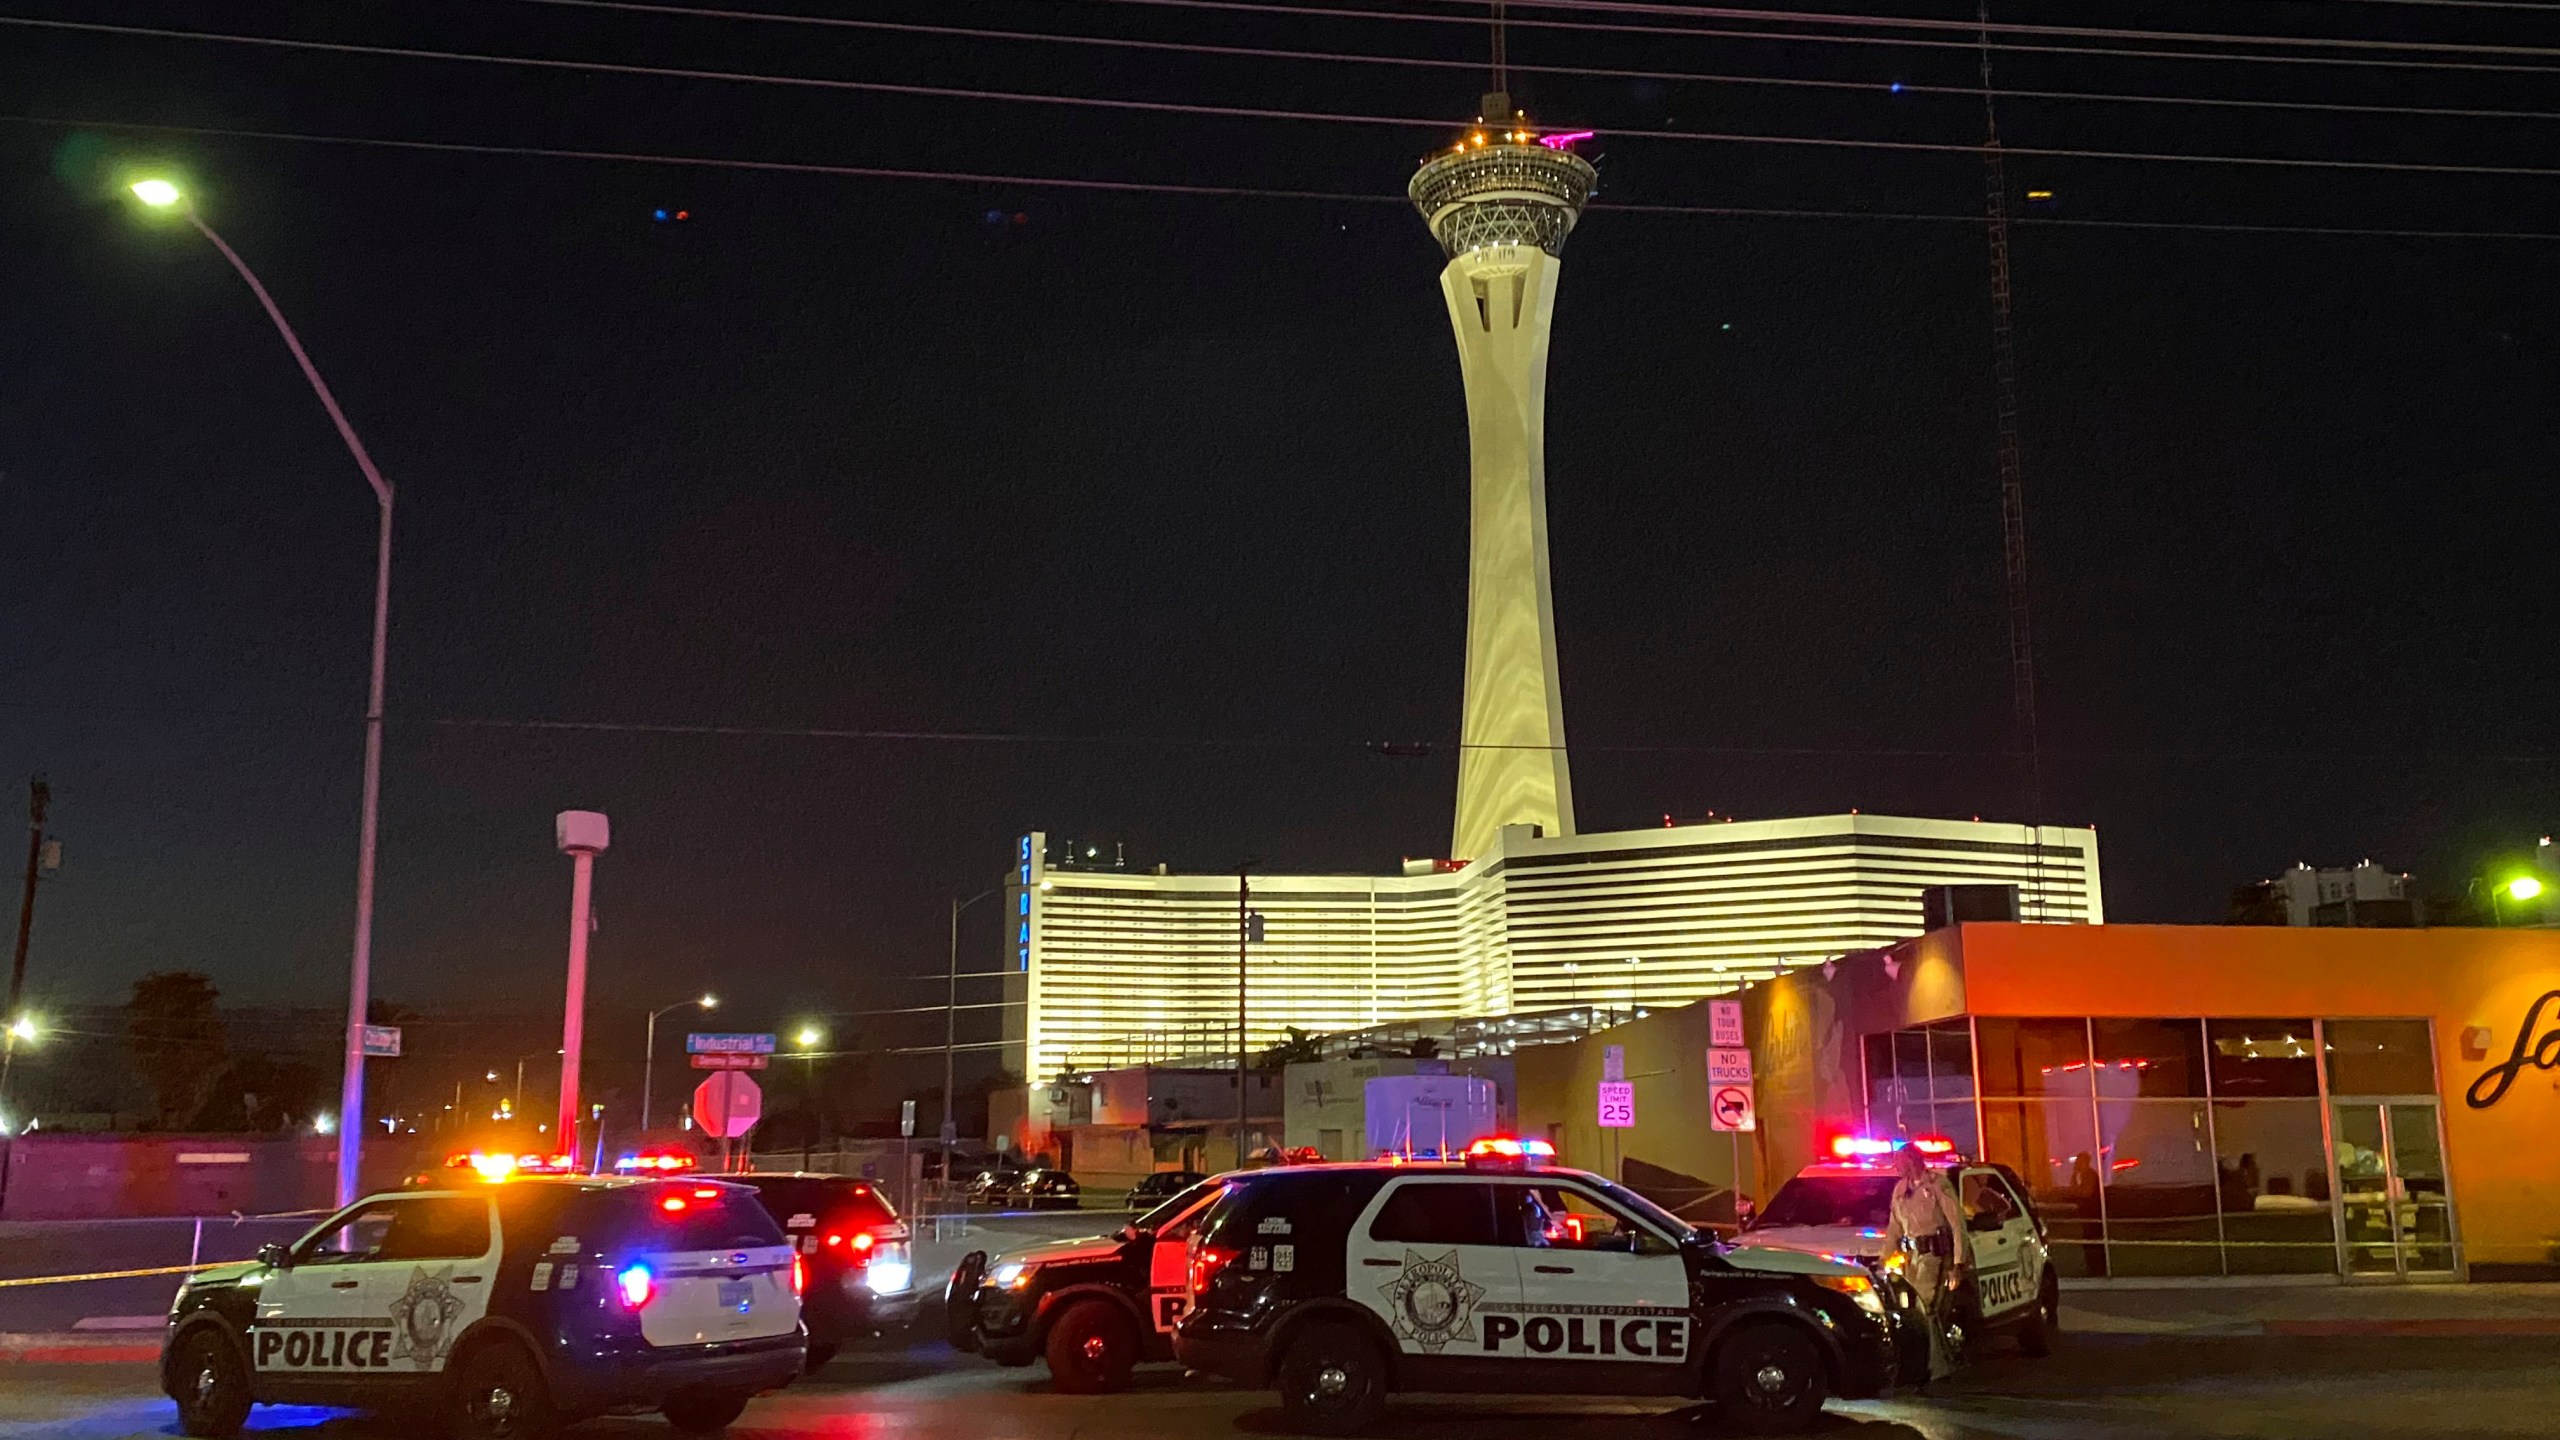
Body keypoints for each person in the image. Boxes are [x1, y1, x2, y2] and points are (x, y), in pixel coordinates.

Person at [1879, 1145, 1969, 1382]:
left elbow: (1957, 1225)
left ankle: (1934, 1367)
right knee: (1914, 1313)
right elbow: (1894, 1230)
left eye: (1898, 1160)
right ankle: (1926, 1364)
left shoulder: (1938, 1185)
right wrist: (1883, 1261)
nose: (1895, 1166)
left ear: (1911, 1160)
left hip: (1935, 1257)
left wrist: (1958, 1264)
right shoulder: (1900, 1189)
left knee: (1926, 1308)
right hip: (1911, 1259)